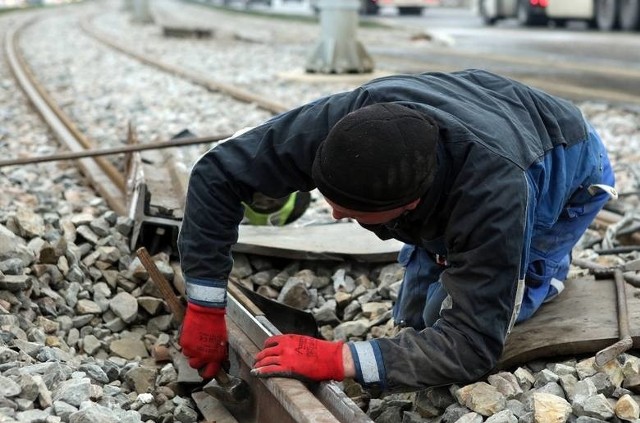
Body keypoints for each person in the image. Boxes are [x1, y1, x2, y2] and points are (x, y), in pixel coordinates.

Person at [177, 69, 616, 392]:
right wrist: (205, 302)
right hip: (488, 115)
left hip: (565, 161)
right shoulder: (348, 120)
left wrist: (338, 358)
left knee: (449, 322)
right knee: (414, 321)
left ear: (409, 206)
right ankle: (454, 252)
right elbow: (217, 173)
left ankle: (545, 270)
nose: (331, 217)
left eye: (349, 214)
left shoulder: (495, 194)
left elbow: (471, 346)